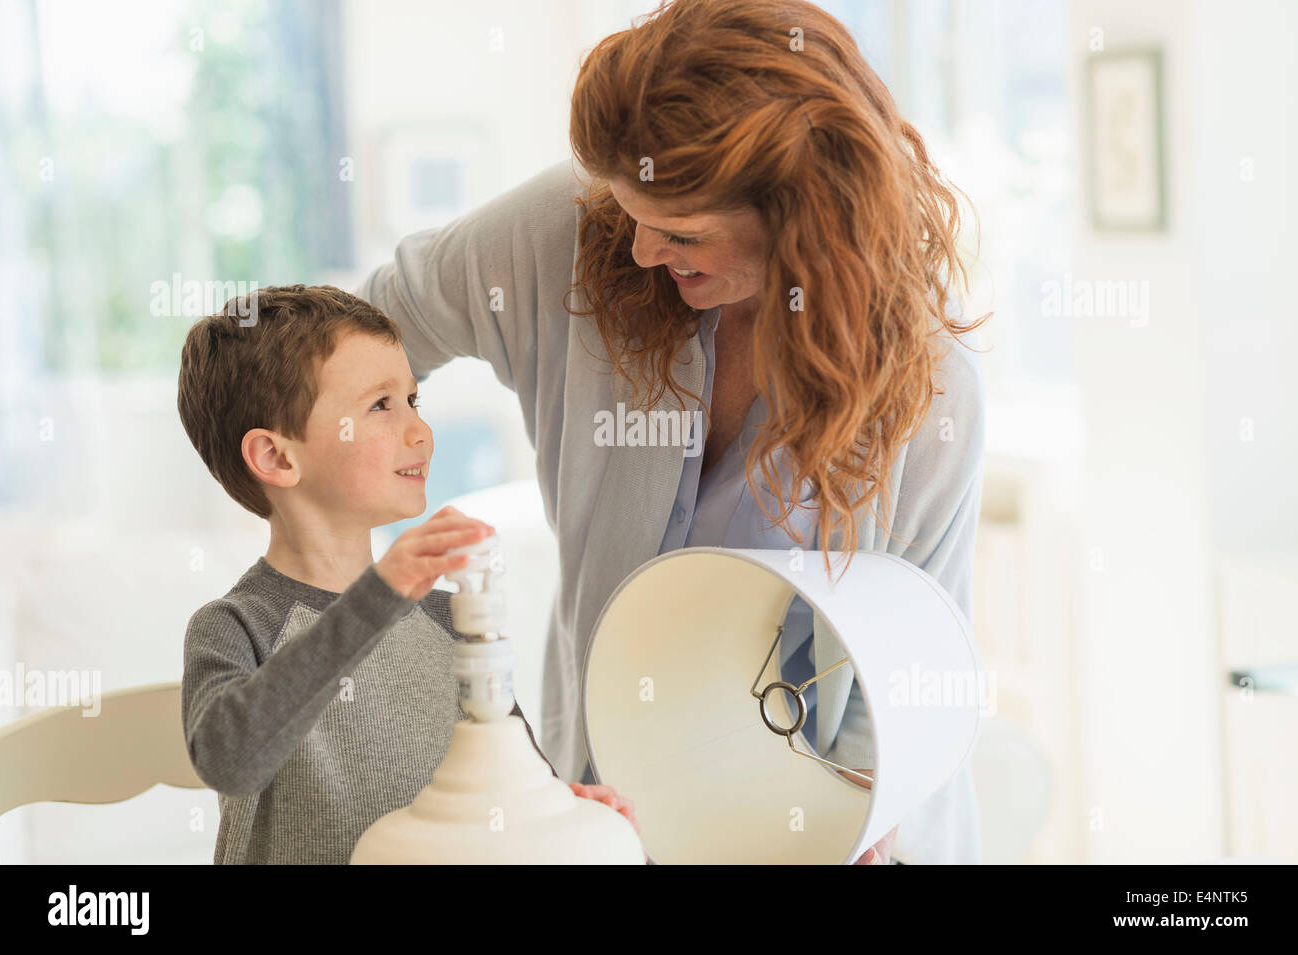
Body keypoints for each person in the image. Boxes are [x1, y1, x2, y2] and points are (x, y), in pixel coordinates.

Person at [358, 0, 988, 864]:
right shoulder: (577, 231)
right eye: (632, 216)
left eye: (684, 232)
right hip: (598, 814)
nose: (645, 250)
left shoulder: (926, 387)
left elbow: (918, 658)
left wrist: (849, 819)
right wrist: (351, 518)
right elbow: (363, 337)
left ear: (806, 218)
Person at [176, 285, 636, 864]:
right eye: (380, 405)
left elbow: (513, 788)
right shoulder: (238, 626)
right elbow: (229, 760)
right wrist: (379, 597)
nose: (421, 432)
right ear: (277, 457)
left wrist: (569, 814)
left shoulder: (447, 618)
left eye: (414, 400)